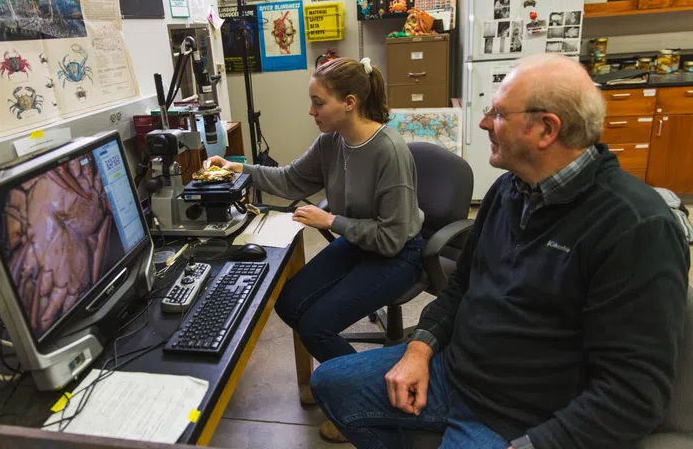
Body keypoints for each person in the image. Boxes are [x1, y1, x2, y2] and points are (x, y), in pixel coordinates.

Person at [309, 54, 690, 448]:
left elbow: (633, 394)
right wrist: (419, 349)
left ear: (546, 129)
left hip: (521, 418)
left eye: (498, 113)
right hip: (454, 373)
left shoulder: (636, 226)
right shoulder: (509, 190)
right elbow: (460, 288)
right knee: (331, 383)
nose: (483, 122)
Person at [204, 57, 425, 440]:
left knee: (317, 325)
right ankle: (343, 380)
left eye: (319, 102)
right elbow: (289, 181)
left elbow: (391, 237)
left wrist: (331, 222)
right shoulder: (331, 142)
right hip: (358, 242)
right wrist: (236, 169)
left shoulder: (389, 150)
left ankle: (366, 402)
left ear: (350, 102)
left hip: (397, 252)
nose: (311, 111)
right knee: (289, 304)